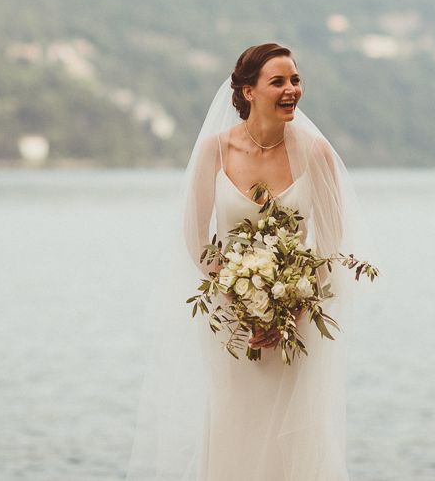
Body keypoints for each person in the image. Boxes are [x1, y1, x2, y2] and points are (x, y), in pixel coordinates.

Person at [125, 43, 376, 480]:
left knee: (292, 439)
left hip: (295, 325)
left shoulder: (314, 153)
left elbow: (332, 245)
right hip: (232, 327)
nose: (291, 89)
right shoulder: (214, 152)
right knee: (235, 429)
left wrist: (291, 310)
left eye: (295, 79)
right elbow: (196, 235)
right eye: (277, 81)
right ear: (246, 92)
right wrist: (237, 297)